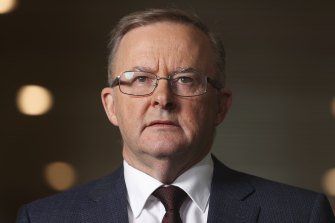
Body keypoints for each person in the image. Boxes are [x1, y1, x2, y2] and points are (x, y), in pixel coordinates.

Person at [16, 8, 334, 223]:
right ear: (110, 105)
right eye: (140, 79)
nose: (162, 99)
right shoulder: (43, 218)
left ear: (221, 105)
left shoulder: (300, 214)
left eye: (186, 80)